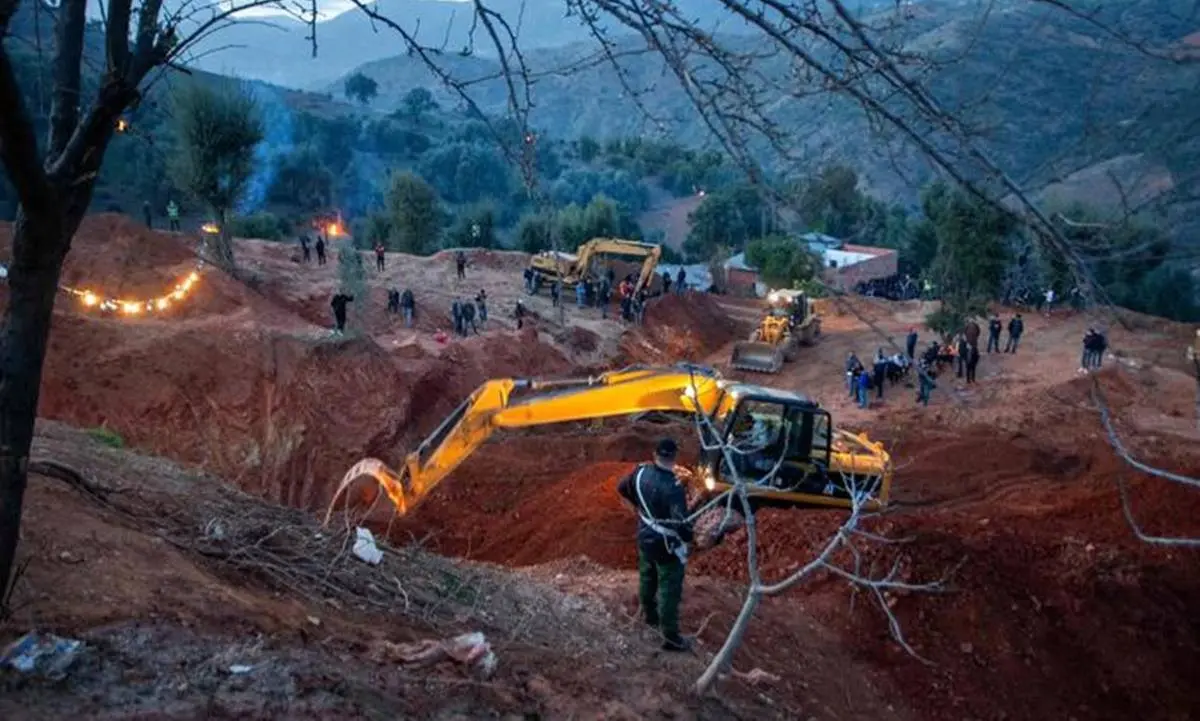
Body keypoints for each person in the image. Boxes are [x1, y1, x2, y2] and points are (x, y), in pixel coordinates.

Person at [616, 438, 694, 652]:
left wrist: (638, 509)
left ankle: (649, 616)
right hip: (666, 546)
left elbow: (621, 487)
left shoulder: (640, 473)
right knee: (669, 588)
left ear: (654, 454)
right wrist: (690, 537)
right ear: (674, 457)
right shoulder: (674, 488)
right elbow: (681, 525)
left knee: (647, 577)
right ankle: (670, 636)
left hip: (645, 535)